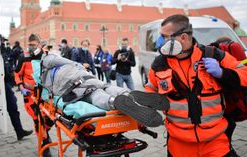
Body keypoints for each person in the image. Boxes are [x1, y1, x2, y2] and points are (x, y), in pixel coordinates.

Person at [145, 14, 247, 156]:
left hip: (216, 143)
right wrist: (144, 110)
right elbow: (151, 88)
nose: (160, 41)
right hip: (179, 145)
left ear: (184, 37)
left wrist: (223, 73)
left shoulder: (213, 55)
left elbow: (245, 73)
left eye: (165, 37)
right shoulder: (159, 64)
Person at [41, 53, 169, 128]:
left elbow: (54, 94)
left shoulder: (43, 72)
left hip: (68, 83)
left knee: (93, 94)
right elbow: (63, 60)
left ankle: (113, 101)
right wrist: (77, 65)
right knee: (105, 86)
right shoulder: (55, 60)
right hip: (81, 74)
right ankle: (127, 94)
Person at [14, 34, 53, 157]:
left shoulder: (44, 56)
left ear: (39, 45)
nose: (31, 47)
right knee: (38, 120)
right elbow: (16, 74)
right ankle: (44, 143)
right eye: (29, 45)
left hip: (44, 95)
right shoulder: (23, 57)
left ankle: (44, 133)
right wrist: (21, 87)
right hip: (30, 96)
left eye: (34, 45)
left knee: (50, 119)